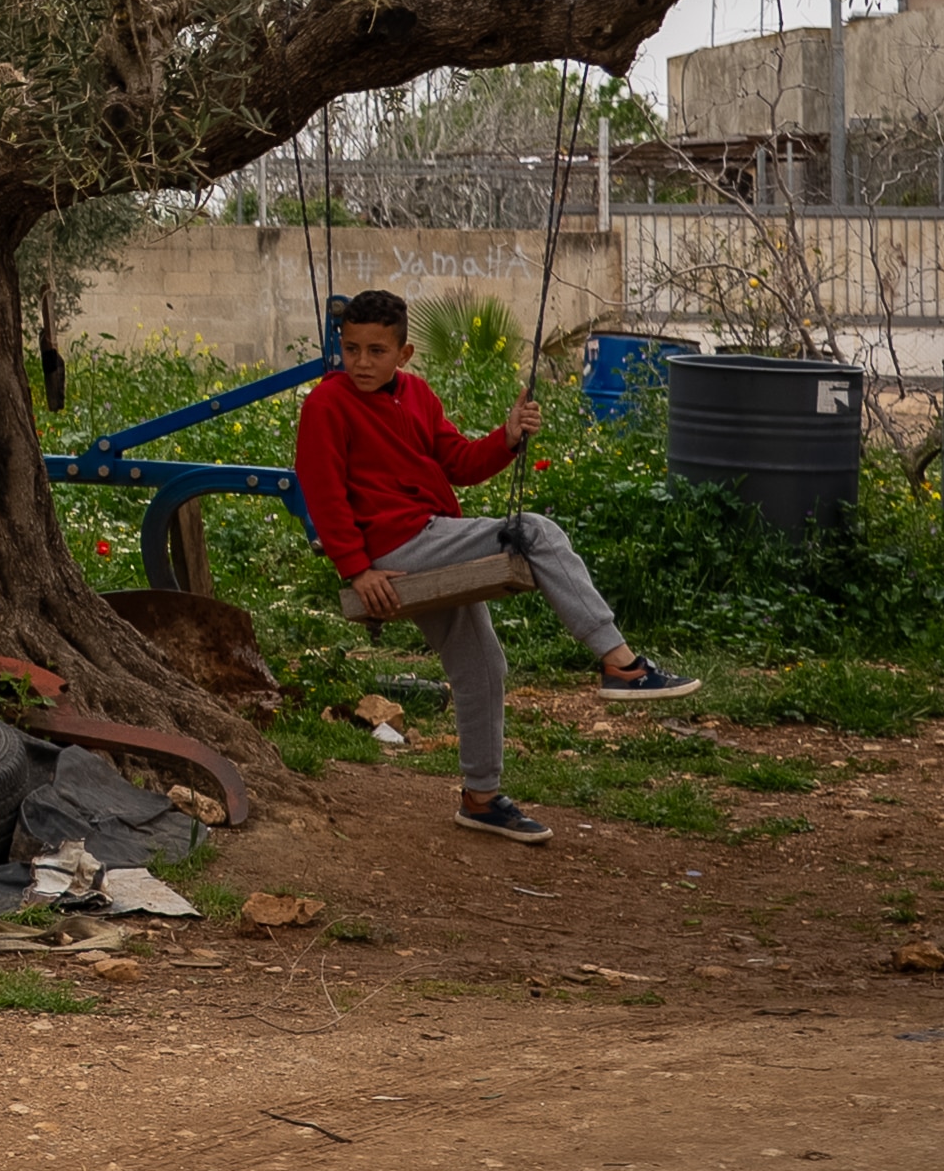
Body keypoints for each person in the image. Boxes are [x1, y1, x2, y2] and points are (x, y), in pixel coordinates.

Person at [297, 286, 698, 846]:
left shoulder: (416, 395)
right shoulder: (326, 404)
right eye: (352, 349)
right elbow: (323, 493)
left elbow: (457, 462)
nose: (361, 363)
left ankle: (481, 798)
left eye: (376, 351)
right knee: (531, 530)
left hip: (430, 536)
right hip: (394, 545)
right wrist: (357, 570)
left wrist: (507, 438)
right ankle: (622, 665)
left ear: (404, 354)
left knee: (483, 663)